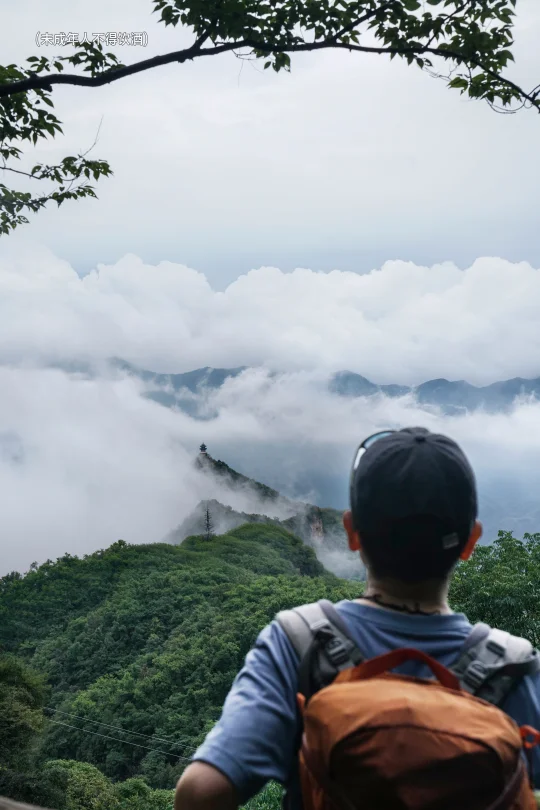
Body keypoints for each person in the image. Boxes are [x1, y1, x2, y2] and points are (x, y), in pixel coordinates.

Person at [174, 427, 540, 810]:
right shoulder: (514, 667)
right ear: (470, 542)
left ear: (351, 534)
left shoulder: (297, 644)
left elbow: (200, 792)